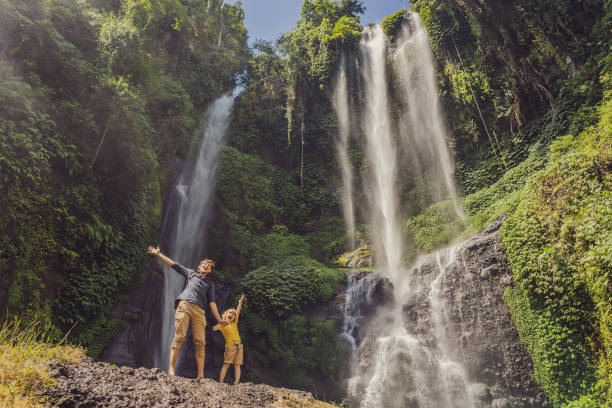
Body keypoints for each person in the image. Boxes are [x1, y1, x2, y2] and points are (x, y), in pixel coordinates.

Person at [147, 246, 228, 379]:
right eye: (204, 264)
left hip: (199, 311)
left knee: (200, 341)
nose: (206, 266)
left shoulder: (209, 284)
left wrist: (219, 320)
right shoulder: (191, 273)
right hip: (185, 304)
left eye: (208, 266)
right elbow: (175, 265)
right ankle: (171, 369)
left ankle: (200, 375)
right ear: (199, 266)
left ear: (210, 271)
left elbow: (212, 303)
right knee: (180, 336)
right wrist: (159, 254)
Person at [213, 294, 245, 384]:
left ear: (234, 318)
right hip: (230, 347)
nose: (231, 314)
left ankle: (236, 383)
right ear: (226, 315)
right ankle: (221, 382)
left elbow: (238, 311)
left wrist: (240, 302)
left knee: (237, 365)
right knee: (226, 364)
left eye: (233, 314)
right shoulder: (224, 325)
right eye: (229, 313)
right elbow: (214, 328)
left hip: (239, 346)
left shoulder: (234, 324)